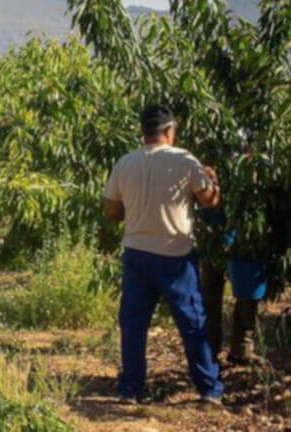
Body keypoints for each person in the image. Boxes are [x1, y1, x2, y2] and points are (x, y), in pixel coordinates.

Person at [103, 104, 224, 404]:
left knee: (133, 325)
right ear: (169, 131)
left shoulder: (125, 163)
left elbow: (112, 211)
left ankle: (131, 390)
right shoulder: (185, 160)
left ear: (143, 131)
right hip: (175, 256)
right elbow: (209, 201)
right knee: (192, 322)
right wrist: (213, 183)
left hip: (137, 254)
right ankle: (209, 390)